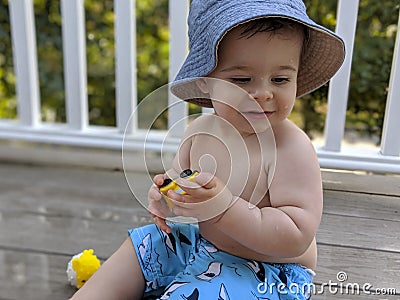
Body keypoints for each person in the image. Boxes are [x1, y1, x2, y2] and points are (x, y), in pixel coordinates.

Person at [70, 0, 345, 299]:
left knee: (202, 291)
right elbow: (181, 184)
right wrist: (167, 197)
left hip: (268, 271)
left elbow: (295, 236)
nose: (263, 93)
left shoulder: (291, 148)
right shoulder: (199, 132)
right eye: (241, 80)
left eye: (280, 79)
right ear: (204, 81)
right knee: (147, 243)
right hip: (201, 244)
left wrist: (224, 207)